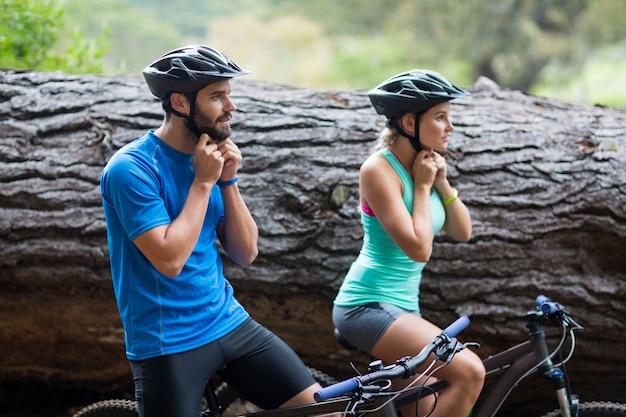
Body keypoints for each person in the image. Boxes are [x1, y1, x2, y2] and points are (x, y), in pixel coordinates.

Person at [100, 45, 323, 417]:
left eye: (229, 95)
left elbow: (246, 252)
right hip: (167, 342)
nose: (230, 107)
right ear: (181, 102)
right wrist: (203, 184)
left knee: (324, 410)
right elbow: (169, 259)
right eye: (217, 96)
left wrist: (227, 182)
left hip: (229, 322)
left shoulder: (209, 161)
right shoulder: (130, 169)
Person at [332, 69, 486, 417]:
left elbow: (463, 232)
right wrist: (419, 185)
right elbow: (419, 248)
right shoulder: (378, 170)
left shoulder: (425, 166)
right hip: (366, 305)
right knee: (471, 371)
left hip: (404, 309)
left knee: (425, 409)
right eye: (441, 117)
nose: (450, 127)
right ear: (408, 122)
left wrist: (441, 183)